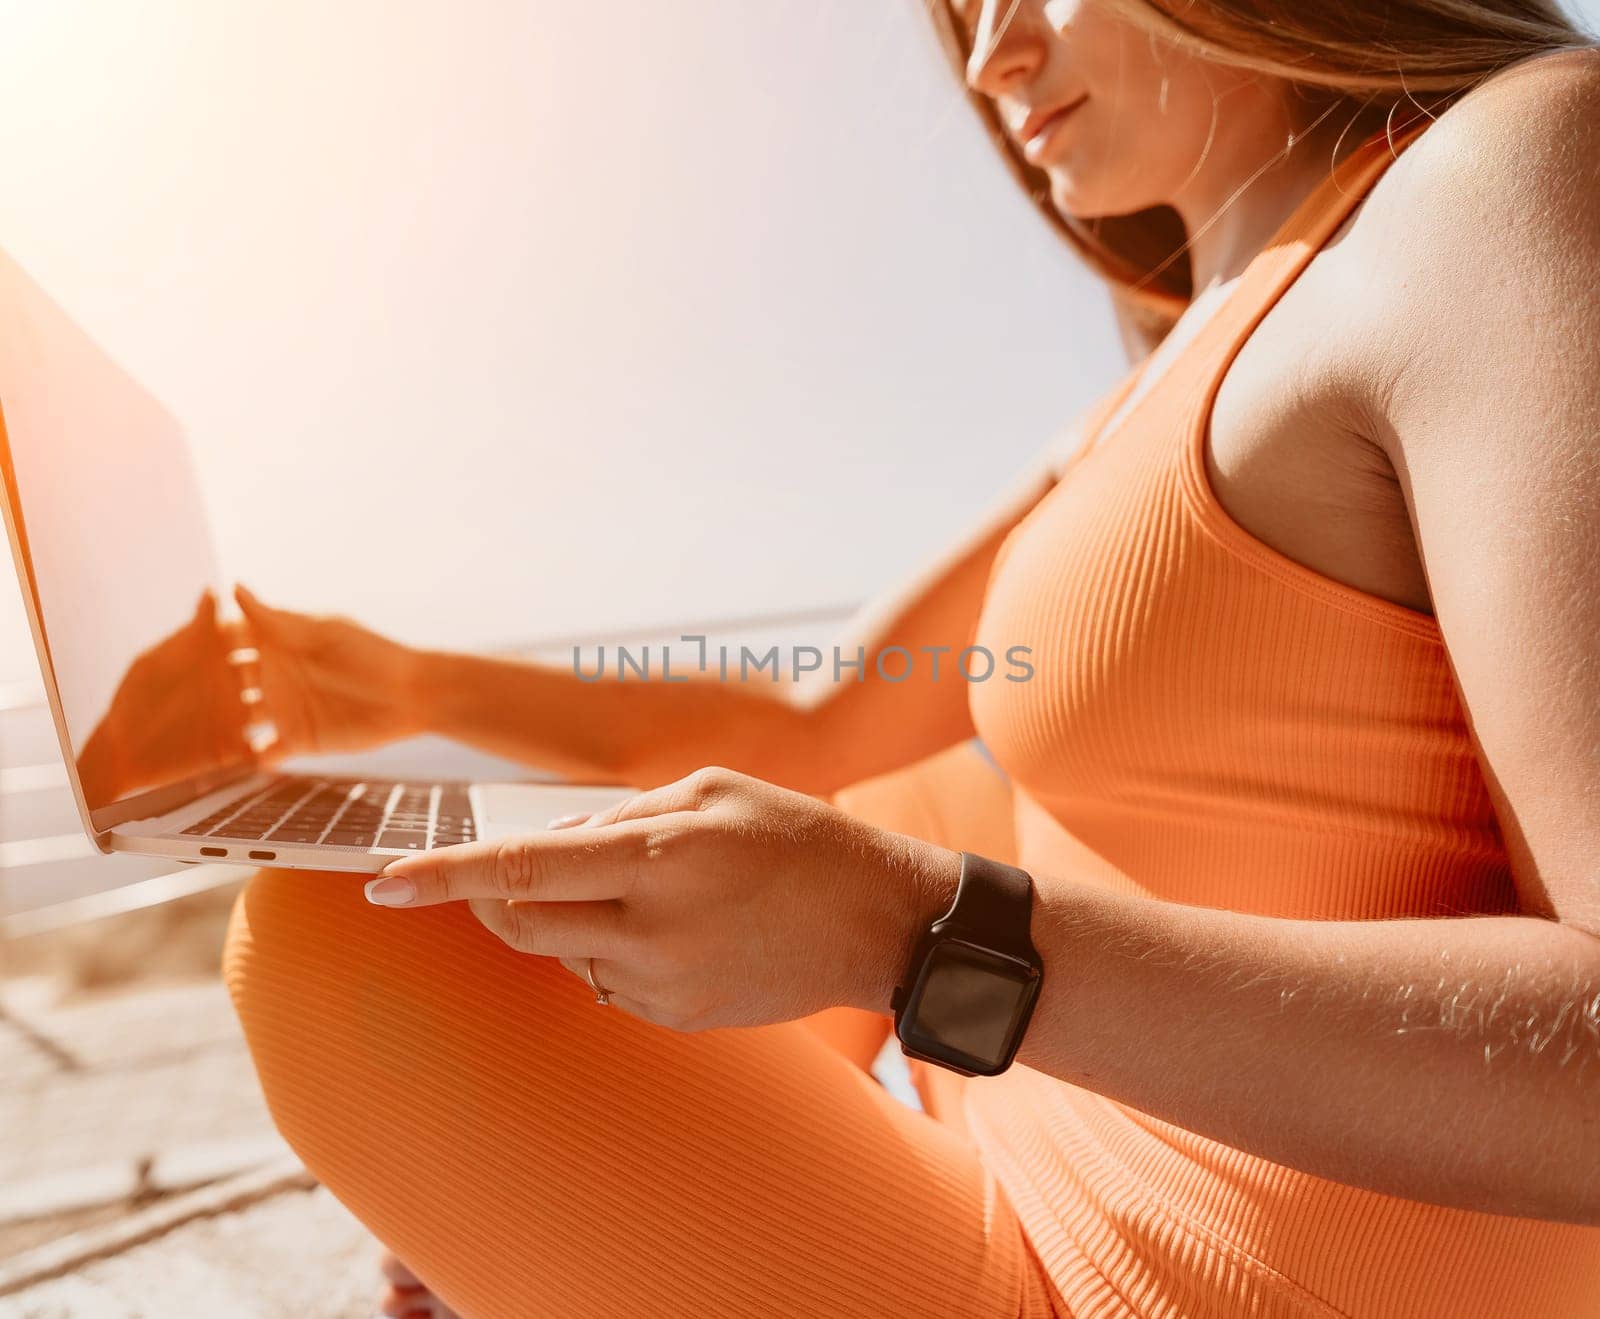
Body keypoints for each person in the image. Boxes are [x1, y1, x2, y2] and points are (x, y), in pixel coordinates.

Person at [222, 2, 1600, 1315]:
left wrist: (918, 936)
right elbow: (815, 725)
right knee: (906, 777)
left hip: (1199, 1277)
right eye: (960, 7)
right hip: (1030, 1143)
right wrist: (390, 683)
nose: (995, 59)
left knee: (340, 935)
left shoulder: (1504, 175)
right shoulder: (1164, 376)